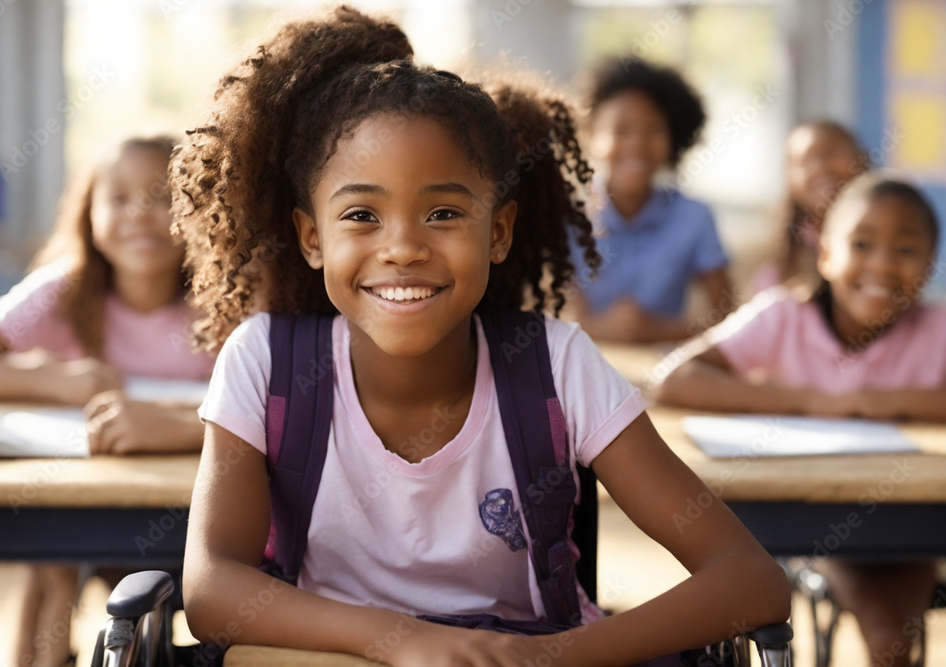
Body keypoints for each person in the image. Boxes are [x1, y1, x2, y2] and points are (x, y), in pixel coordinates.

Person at [175, 7, 789, 666]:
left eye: (443, 213)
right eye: (362, 215)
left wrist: (553, 655)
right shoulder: (264, 361)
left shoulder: (558, 364)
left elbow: (749, 578)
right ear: (312, 237)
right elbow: (213, 591)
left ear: (498, 232)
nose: (403, 247)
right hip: (337, 653)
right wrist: (406, 642)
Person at [654, 171, 944, 666]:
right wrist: (810, 401)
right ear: (826, 254)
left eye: (905, 250)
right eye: (862, 243)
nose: (882, 264)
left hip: (906, 527)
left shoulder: (936, 327)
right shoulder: (783, 316)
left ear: (930, 265)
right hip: (809, 522)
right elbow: (674, 381)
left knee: (891, 641)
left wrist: (878, 402)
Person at [0, 135, 215, 667]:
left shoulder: (220, 298)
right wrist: (59, 382)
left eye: (161, 196)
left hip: (187, 513)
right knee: (51, 556)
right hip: (77, 492)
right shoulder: (61, 292)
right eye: (117, 199)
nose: (140, 214)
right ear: (87, 213)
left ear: (198, 210)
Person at [568, 57, 733, 343]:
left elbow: (729, 317)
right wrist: (596, 327)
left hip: (663, 371)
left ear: (674, 138)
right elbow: (554, 316)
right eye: (621, 130)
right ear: (592, 134)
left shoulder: (694, 217)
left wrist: (663, 331)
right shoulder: (563, 214)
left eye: (654, 130)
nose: (637, 144)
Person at [750, 120, 868, 296]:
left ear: (862, 160)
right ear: (789, 179)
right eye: (804, 161)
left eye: (832, 153)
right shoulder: (779, 266)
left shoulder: (889, 237)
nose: (820, 167)